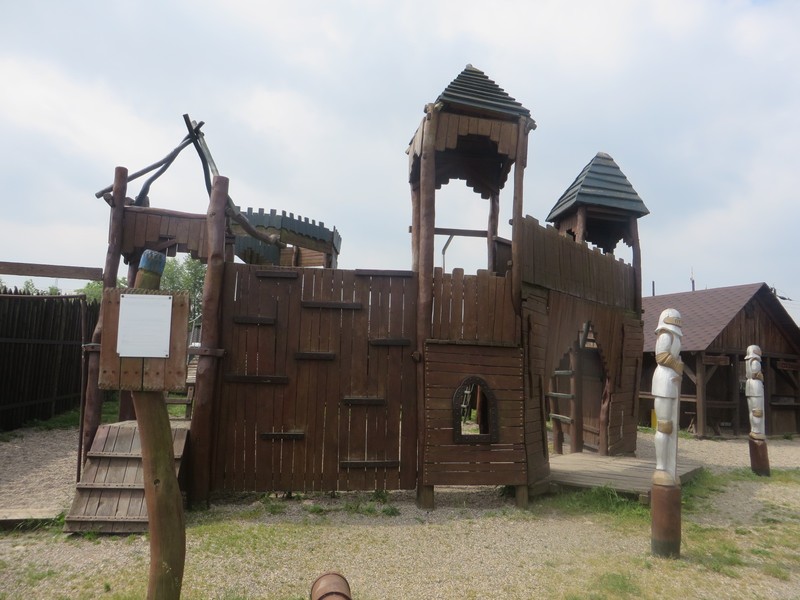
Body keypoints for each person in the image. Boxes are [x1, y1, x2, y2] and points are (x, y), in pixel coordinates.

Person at [652, 308, 683, 486]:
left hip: (671, 381)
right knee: (664, 426)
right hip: (663, 381)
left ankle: (669, 468)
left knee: (670, 426)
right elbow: (661, 356)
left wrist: (678, 368)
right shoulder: (665, 335)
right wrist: (677, 365)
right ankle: (661, 467)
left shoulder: (675, 336)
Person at [745, 345, 765, 440]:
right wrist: (761, 376)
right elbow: (755, 374)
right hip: (756, 387)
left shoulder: (748, 362)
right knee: (757, 410)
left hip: (750, 386)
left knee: (752, 411)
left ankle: (754, 429)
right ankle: (756, 430)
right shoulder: (755, 362)